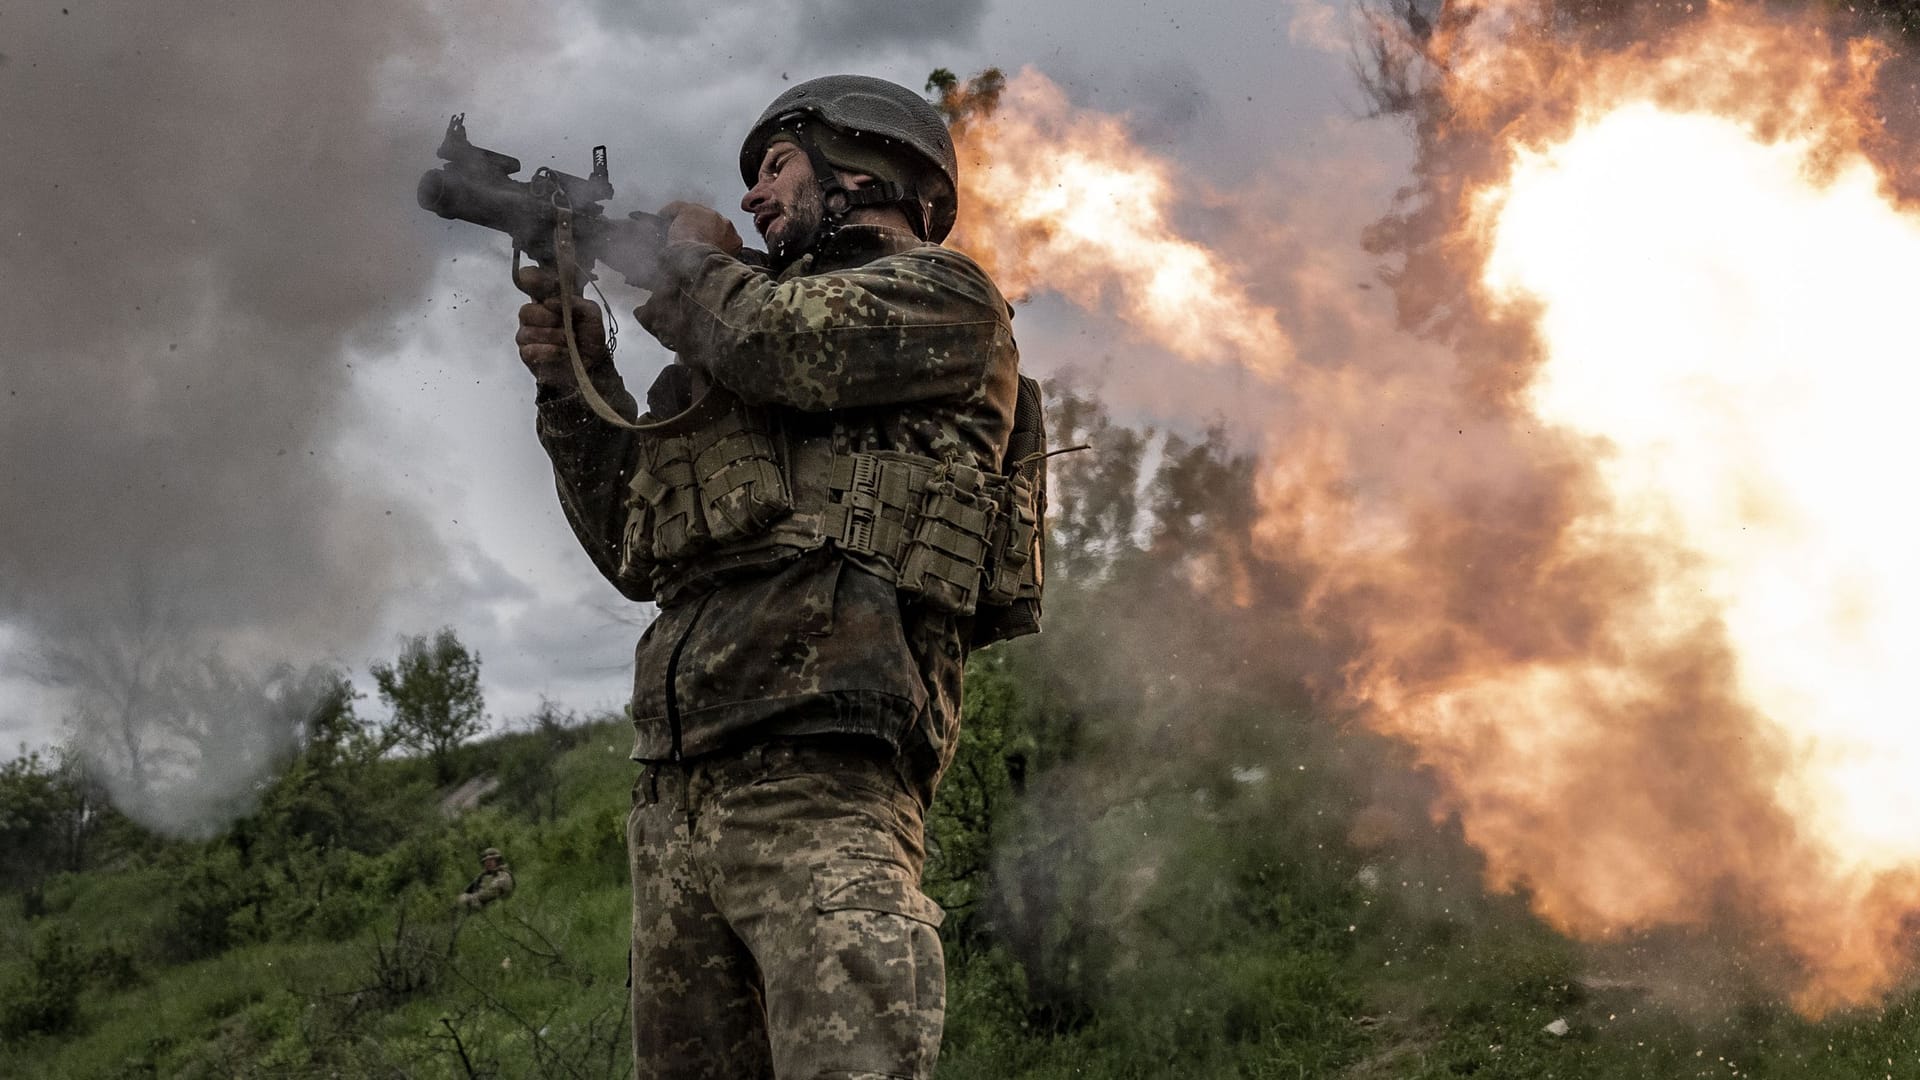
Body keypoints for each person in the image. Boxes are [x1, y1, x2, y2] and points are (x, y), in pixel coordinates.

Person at [513, 75, 1026, 1079]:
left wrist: (691, 264)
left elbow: (784, 344)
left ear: (869, 169)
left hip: (824, 776)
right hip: (674, 796)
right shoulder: (720, 354)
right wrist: (576, 387)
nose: (752, 196)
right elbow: (632, 549)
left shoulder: (944, 299)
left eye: (778, 165)